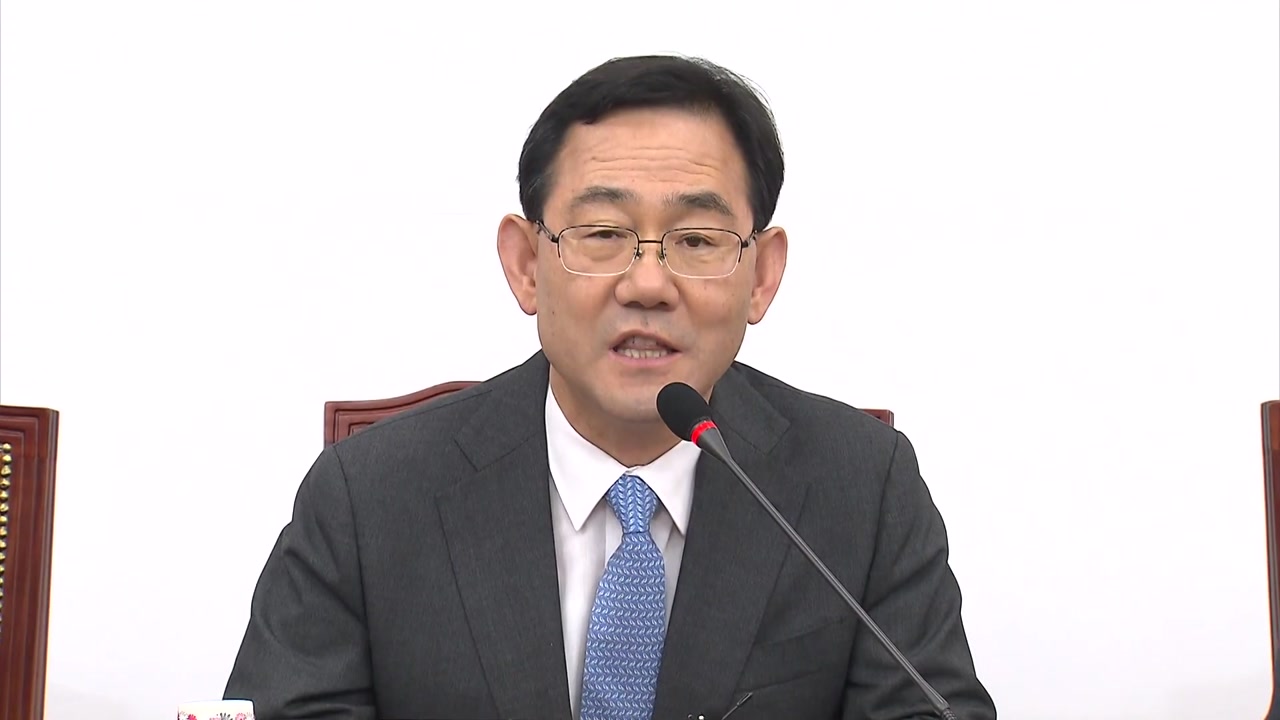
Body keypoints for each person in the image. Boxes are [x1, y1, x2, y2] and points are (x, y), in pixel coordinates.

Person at [224, 54, 997, 720]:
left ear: (761, 276)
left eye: (697, 240)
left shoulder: (861, 489)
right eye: (603, 235)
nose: (648, 284)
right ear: (526, 266)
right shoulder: (369, 498)